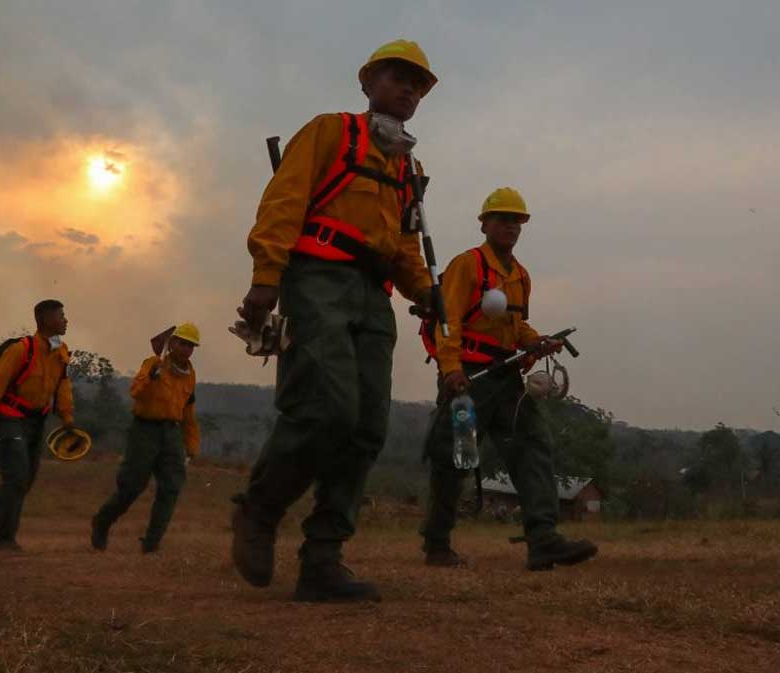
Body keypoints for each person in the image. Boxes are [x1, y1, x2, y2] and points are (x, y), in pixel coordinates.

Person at [231, 40, 438, 602]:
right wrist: (266, 274)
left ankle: (323, 559)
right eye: (398, 78)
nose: (408, 90)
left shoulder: (407, 166)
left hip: (375, 293)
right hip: (317, 277)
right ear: (368, 81)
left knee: (367, 425)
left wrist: (424, 292)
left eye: (417, 85)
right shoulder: (331, 131)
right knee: (327, 408)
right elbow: (284, 200)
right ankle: (259, 509)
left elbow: (404, 243)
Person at [419, 187, 597, 571]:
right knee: (456, 458)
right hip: (467, 379)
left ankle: (543, 540)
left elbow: (516, 327)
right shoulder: (467, 266)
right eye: (502, 219)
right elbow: (447, 322)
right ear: (484, 223)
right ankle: (437, 543)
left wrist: (536, 342)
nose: (510, 226)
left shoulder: (521, 276)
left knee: (533, 446)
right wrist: (450, 370)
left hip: (506, 380)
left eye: (516, 221)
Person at [0, 300, 75, 552]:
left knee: (24, 482)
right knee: (16, 479)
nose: (65, 320)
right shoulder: (21, 350)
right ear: (44, 319)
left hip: (37, 421)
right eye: (60, 316)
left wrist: (66, 417)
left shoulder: (61, 351)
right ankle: (4, 539)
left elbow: (62, 385)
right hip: (11, 419)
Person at [91, 323, 202, 554]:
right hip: (144, 430)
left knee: (171, 487)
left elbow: (188, 414)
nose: (186, 349)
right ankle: (102, 522)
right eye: (182, 343)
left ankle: (151, 543)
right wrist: (151, 377)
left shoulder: (190, 375)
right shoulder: (153, 363)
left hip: (171, 433)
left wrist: (191, 445)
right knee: (132, 486)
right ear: (171, 344)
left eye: (191, 345)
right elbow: (134, 392)